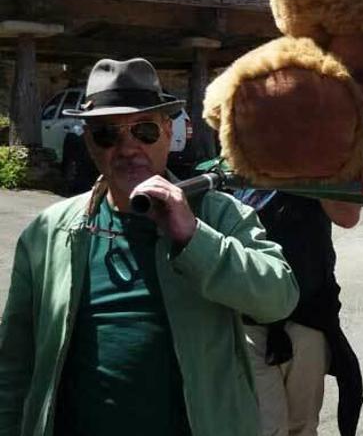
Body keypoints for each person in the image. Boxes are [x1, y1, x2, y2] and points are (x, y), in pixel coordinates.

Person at [0, 58, 298, 436]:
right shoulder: (49, 231)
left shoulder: (218, 213)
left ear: (167, 132)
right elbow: (14, 363)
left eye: (144, 131)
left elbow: (278, 297)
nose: (128, 148)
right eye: (108, 134)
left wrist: (193, 236)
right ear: (88, 140)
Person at [235, 190, 363, 436]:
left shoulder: (318, 161)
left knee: (302, 427)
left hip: (307, 320)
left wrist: (316, 173)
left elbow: (348, 216)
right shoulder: (235, 166)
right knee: (265, 428)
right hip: (248, 321)